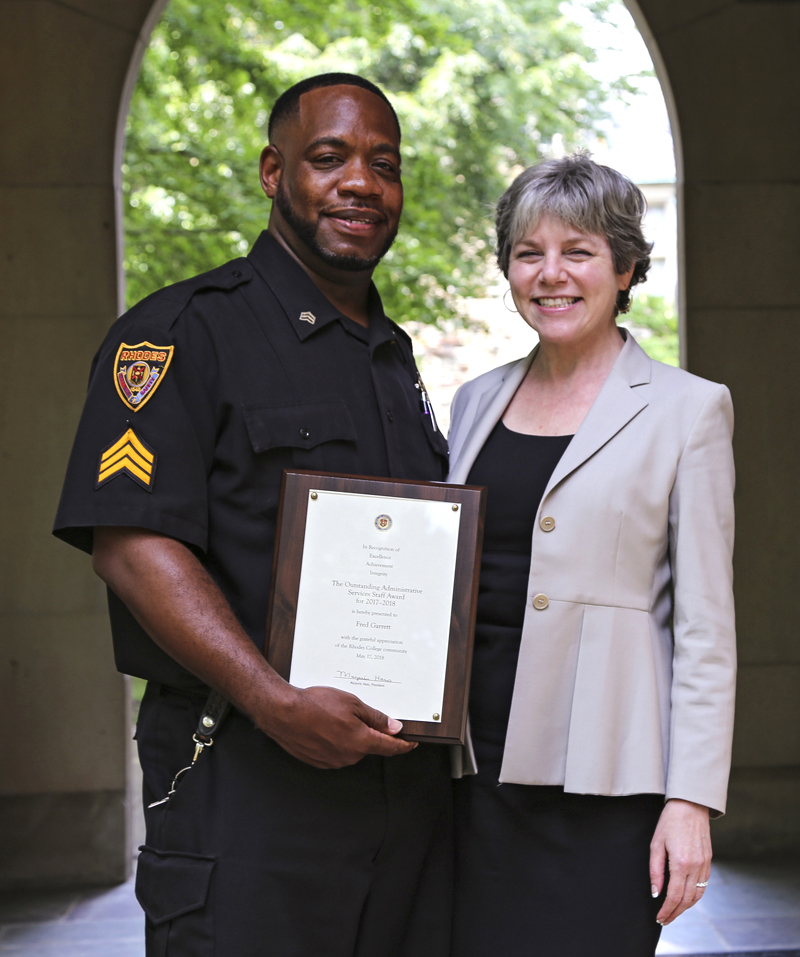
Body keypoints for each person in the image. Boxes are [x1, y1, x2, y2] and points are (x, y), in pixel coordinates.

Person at [53, 73, 452, 957]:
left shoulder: (392, 359)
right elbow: (131, 544)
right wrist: (273, 701)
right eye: (329, 157)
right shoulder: (178, 334)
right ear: (274, 172)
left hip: (404, 819)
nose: (361, 182)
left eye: (384, 164)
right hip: (244, 795)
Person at [447, 153, 736, 957]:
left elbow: (707, 629)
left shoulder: (690, 409)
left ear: (625, 266)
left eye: (577, 251)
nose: (550, 274)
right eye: (527, 252)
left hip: (610, 782)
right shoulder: (475, 400)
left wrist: (691, 800)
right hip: (471, 774)